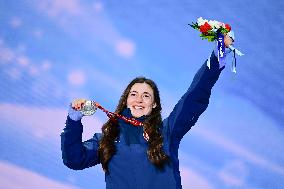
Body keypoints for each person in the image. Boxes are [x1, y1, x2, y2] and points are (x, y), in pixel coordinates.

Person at [61, 35, 233, 189]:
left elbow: (193, 97)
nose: (139, 100)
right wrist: (73, 121)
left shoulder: (167, 132)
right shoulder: (107, 139)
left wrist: (218, 56)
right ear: (126, 100)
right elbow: (75, 160)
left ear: (154, 104)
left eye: (146, 96)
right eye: (133, 94)